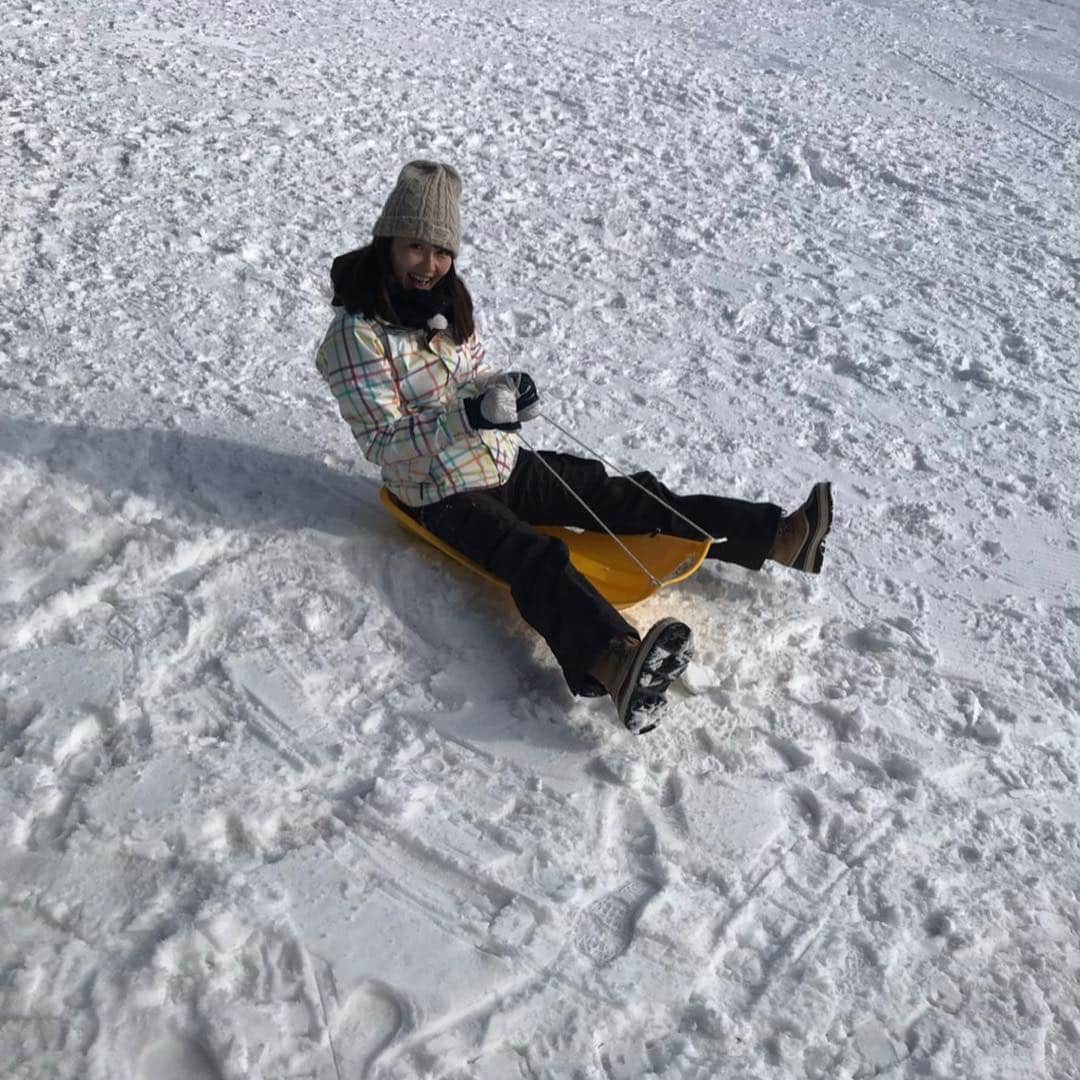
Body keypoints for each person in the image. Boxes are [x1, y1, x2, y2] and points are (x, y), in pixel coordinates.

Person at [315, 161, 833, 735]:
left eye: (442, 252)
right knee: (533, 556)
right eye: (416, 247)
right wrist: (467, 417)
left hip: (497, 459)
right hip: (435, 491)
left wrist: (504, 390)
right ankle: (616, 662)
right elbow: (386, 447)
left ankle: (780, 538)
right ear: (389, 240)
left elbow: (472, 375)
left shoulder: (446, 304)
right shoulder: (354, 337)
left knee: (616, 494)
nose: (429, 265)